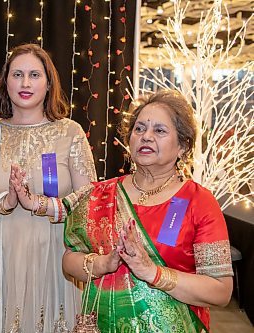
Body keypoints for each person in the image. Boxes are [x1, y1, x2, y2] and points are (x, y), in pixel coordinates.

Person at [0, 43, 96, 333]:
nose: (25, 83)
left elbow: (89, 201)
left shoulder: (69, 132)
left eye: (35, 75)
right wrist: (5, 202)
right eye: (18, 74)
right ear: (5, 82)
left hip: (54, 259)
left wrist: (41, 204)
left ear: (49, 83)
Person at [62, 90, 233, 332]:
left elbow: (220, 290)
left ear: (183, 146)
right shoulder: (101, 194)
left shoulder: (198, 202)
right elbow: (69, 260)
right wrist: (102, 264)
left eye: (159, 131)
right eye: (139, 129)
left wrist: (152, 273)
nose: (146, 137)